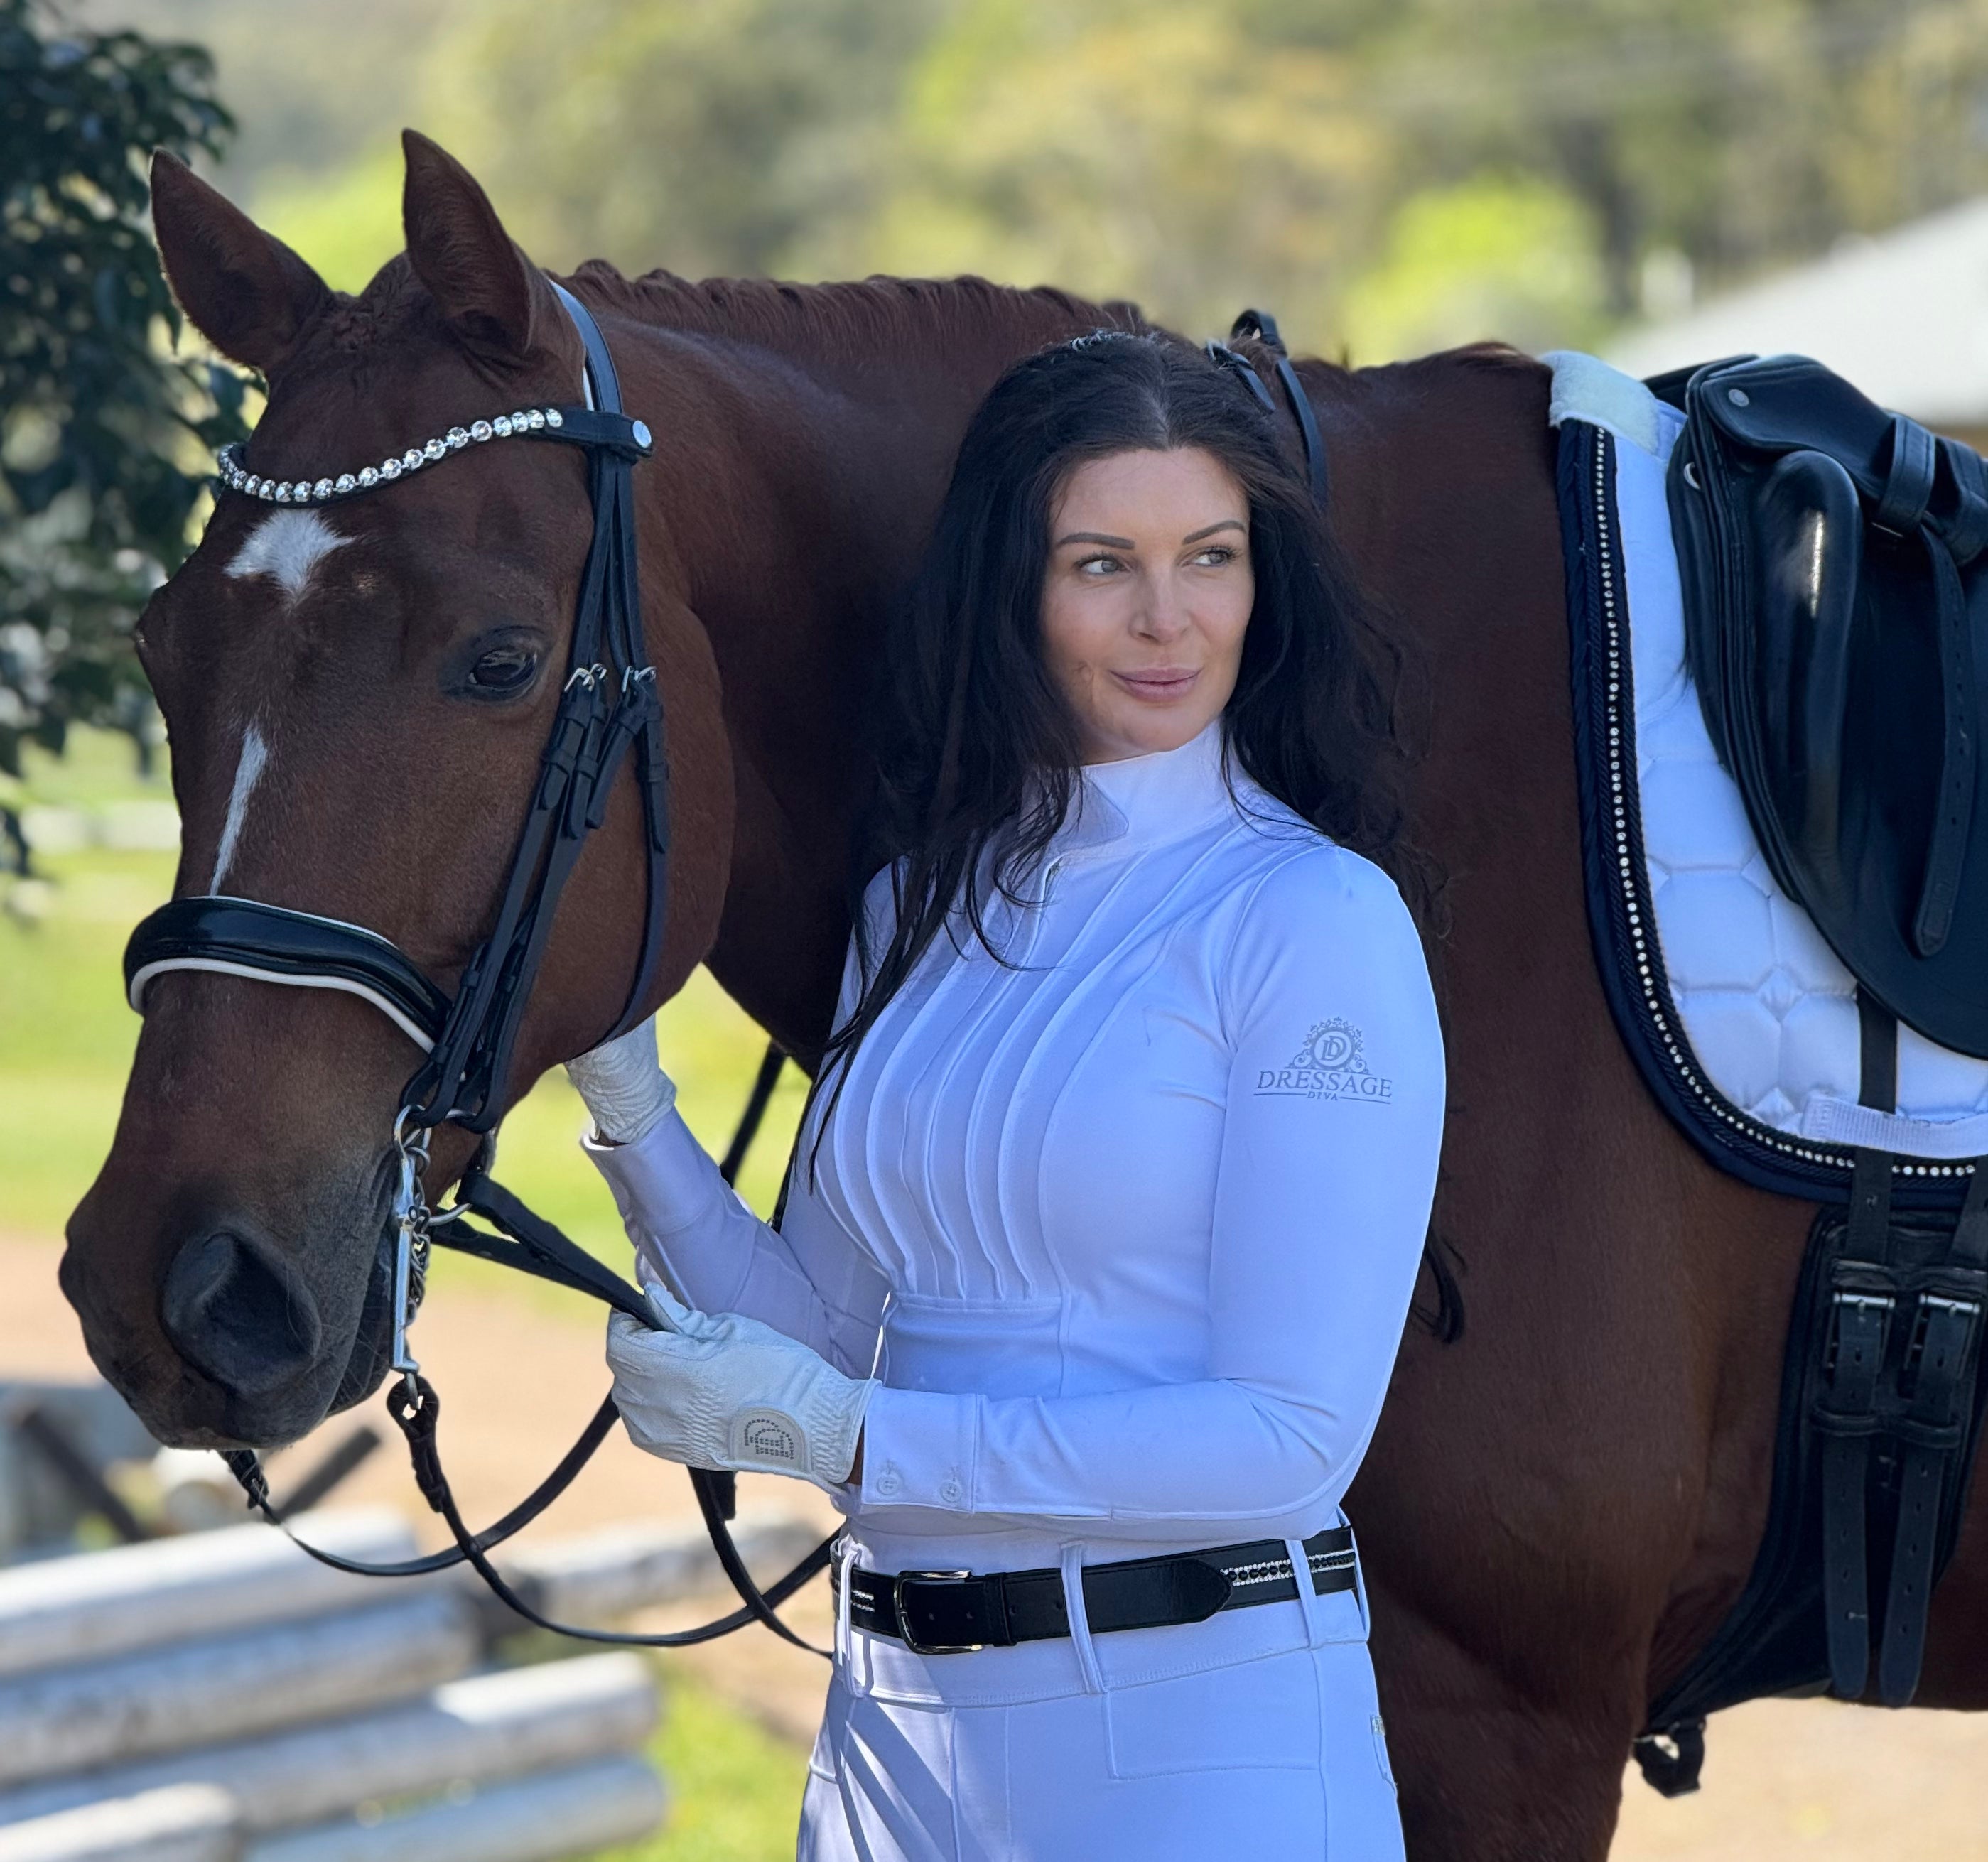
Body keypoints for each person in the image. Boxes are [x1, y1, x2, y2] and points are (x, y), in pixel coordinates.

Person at [566, 330, 1445, 1860]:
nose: (1168, 619)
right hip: (893, 1740)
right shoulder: (918, 906)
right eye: (1102, 562)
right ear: (1011, 588)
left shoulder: (1315, 920)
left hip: (1202, 1744)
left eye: (1210, 557)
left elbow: (1291, 1436)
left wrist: (858, 1442)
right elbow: (821, 1338)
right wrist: (633, 1116)